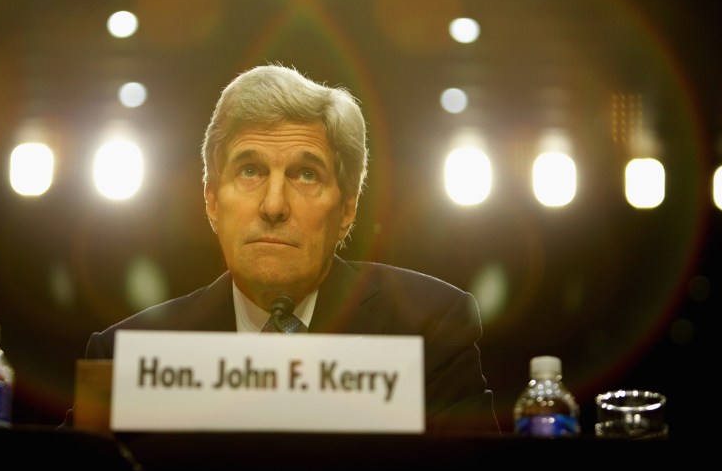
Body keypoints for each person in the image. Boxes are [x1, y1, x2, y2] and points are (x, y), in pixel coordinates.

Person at [67, 64, 500, 434]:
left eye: (306, 175)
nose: (274, 205)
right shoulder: (126, 357)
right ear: (212, 202)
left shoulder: (429, 330)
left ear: (347, 208)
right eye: (250, 170)